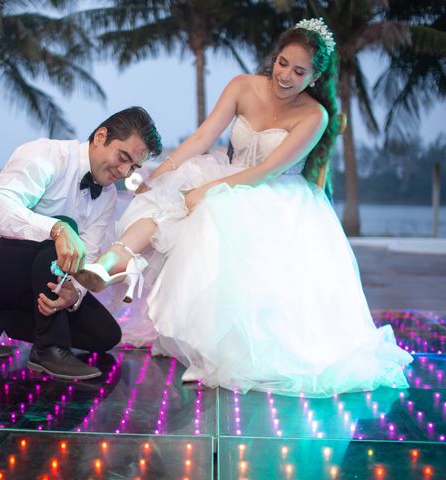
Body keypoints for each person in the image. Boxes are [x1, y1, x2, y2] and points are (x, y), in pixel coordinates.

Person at [75, 19, 413, 397]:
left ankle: (212, 355)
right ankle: (106, 264)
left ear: (315, 77)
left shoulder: (315, 116)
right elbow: (203, 136)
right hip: (227, 170)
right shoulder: (242, 86)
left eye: (299, 71)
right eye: (282, 63)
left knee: (211, 219)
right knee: (165, 198)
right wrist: (162, 173)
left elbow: (267, 170)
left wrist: (207, 191)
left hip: (273, 194)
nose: (285, 76)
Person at [0, 106, 162, 381]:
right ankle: (49, 349)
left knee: (106, 335)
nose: (124, 171)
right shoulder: (46, 155)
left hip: (40, 276)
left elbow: (86, 254)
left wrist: (74, 293)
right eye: (123, 157)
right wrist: (57, 228)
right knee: (58, 244)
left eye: (133, 167)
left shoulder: (108, 196)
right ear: (101, 136)